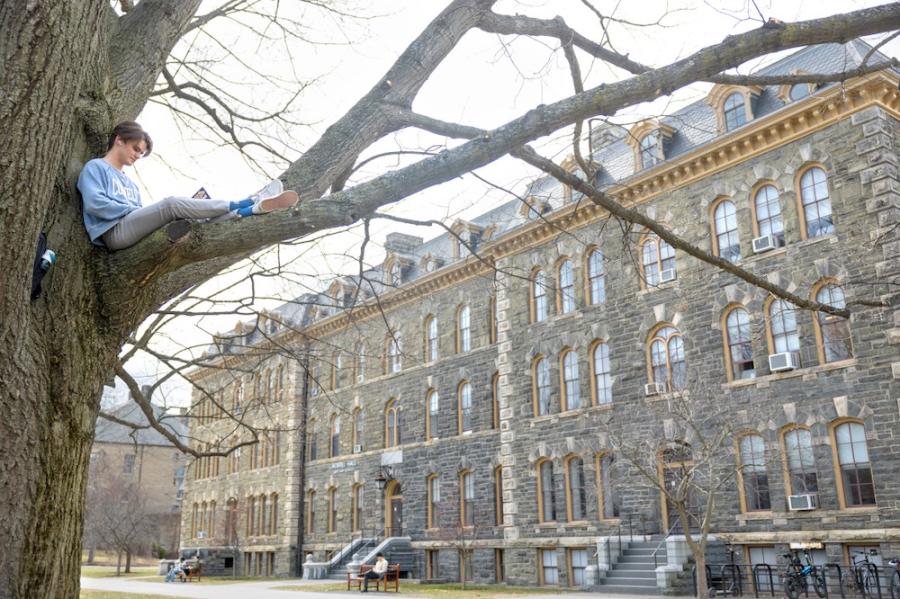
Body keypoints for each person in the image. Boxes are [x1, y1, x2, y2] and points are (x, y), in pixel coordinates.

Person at [77, 121, 298, 251]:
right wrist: (133, 211)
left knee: (191, 222)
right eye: (136, 149)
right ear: (119, 139)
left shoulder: (130, 185)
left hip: (130, 230)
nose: (137, 155)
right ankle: (243, 202)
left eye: (141, 153)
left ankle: (251, 209)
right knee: (171, 204)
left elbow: (139, 215)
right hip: (113, 232)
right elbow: (96, 204)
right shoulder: (96, 167)